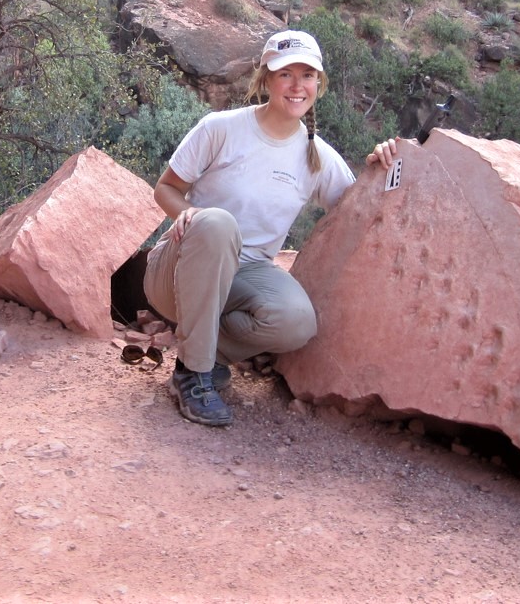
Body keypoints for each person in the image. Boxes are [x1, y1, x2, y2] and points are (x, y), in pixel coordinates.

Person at [144, 28, 398, 427]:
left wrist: (382, 164)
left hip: (243, 278)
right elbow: (166, 188)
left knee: (297, 321)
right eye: (286, 75)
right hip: (180, 270)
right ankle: (192, 374)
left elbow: (359, 210)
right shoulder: (220, 129)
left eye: (308, 75)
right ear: (265, 79)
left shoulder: (318, 157)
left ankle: (211, 356)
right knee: (217, 223)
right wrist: (188, 215)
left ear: (319, 83)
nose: (298, 86)